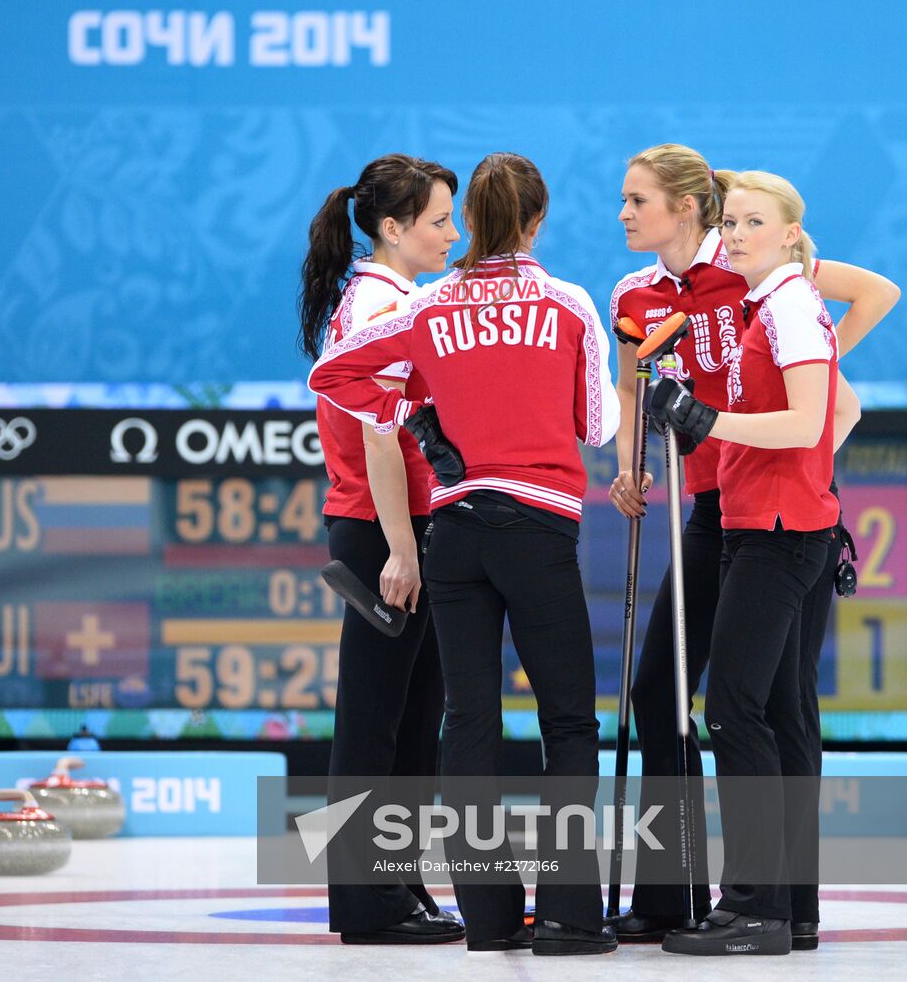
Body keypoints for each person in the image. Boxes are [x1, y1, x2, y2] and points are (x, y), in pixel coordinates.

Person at [309, 152, 622, 955]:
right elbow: (597, 426)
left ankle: (483, 917)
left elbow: (331, 375)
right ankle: (564, 916)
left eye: (455, 218)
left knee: (457, 721)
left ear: (477, 219)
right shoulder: (565, 301)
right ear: (536, 220)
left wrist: (420, 415)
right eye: (434, 219)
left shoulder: (427, 302)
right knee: (562, 722)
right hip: (501, 526)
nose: (448, 232)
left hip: (447, 529)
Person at [607, 144, 899, 948]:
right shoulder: (637, 292)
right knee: (671, 694)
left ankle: (779, 902)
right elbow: (633, 385)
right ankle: (681, 894)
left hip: (771, 511)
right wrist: (631, 462)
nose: (622, 214)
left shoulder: (759, 278)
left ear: (685, 206)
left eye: (637, 200)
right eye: (733, 221)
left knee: (768, 706)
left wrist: (808, 375)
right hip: (719, 506)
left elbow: (865, 316)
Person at [647, 170, 854, 954]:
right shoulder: (767, 306)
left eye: (751, 222)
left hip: (775, 532)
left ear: (789, 234)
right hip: (775, 524)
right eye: (728, 222)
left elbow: (806, 422)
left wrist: (705, 418)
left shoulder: (790, 307)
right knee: (771, 710)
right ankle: (788, 908)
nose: (733, 235)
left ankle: (754, 907)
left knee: (734, 708)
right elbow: (830, 410)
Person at [298, 153, 464, 945]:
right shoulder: (380, 304)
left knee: (411, 717)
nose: (453, 235)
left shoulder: (390, 295)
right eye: (439, 220)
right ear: (392, 228)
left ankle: (400, 887)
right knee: (371, 722)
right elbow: (375, 437)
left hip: (404, 526)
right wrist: (401, 548)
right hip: (380, 530)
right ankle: (367, 902)